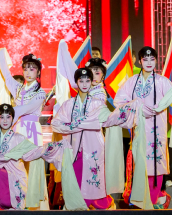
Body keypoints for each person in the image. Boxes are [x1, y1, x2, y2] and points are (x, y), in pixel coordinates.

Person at [115, 46, 172, 210]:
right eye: (145, 59)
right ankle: (141, 199)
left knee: (156, 163)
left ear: (156, 61)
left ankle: (153, 198)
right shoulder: (132, 82)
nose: (149, 62)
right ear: (140, 61)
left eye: (152, 59)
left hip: (157, 130)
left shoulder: (162, 81)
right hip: (139, 129)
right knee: (140, 163)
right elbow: (119, 101)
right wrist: (136, 107)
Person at [0, 103, 65, 210]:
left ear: (13, 119)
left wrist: (57, 147)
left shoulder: (19, 138)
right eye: (2, 117)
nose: (5, 120)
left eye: (8, 117)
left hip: (14, 180)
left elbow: (35, 151)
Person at [51, 68, 122, 210]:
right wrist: (77, 126)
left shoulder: (98, 104)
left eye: (87, 81)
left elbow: (108, 119)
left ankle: (95, 203)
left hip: (94, 147)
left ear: (91, 82)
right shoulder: (68, 104)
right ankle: (77, 204)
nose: (84, 84)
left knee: (95, 177)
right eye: (81, 81)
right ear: (76, 82)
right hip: (75, 148)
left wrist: (125, 112)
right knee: (76, 177)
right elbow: (56, 124)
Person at [0, 52, 48, 208]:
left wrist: (8, 113)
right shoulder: (19, 89)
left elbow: (26, 108)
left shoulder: (40, 93)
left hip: (32, 131)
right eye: (25, 68)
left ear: (38, 72)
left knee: (33, 165)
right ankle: (17, 200)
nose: (28, 72)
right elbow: (7, 77)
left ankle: (33, 203)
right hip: (18, 129)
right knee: (15, 165)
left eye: (32, 69)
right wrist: (1, 55)